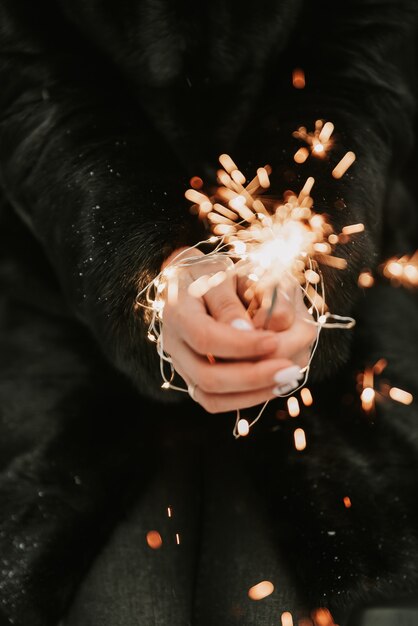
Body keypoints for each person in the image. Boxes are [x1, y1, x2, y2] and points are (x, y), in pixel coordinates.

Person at [0, 1, 417, 624]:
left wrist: (305, 259)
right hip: (60, 280)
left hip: (351, 313)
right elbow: (23, 77)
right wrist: (143, 268)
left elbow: (367, 61)